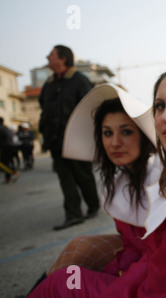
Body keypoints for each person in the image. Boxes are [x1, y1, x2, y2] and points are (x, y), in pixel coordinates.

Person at [27, 67, 166, 298]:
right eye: (159, 106)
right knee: (68, 269)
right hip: (147, 275)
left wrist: (116, 283)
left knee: (61, 284)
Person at [39, 45, 100, 230]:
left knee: (83, 175)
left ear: (63, 59)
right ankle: (73, 214)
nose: (48, 57)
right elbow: (44, 110)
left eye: (52, 54)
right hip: (56, 141)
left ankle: (93, 205)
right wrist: (45, 134)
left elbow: (92, 108)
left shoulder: (79, 81)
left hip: (76, 139)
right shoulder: (49, 84)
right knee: (64, 177)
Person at [0, 117, 20, 183]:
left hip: (5, 147)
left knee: (4, 163)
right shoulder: (6, 128)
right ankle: (10, 175)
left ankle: (13, 173)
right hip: (11, 147)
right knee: (8, 162)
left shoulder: (1, 129)